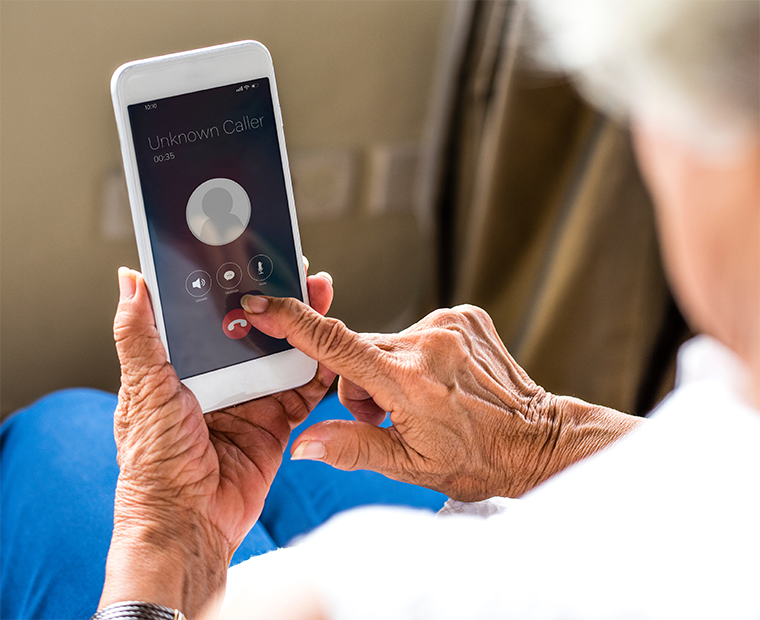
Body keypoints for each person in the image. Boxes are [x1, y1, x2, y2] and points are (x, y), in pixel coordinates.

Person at [5, 0, 760, 617]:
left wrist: (165, 545)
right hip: (548, 508)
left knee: (57, 433)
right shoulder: (722, 435)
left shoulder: (381, 588)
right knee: (290, 417)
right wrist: (548, 442)